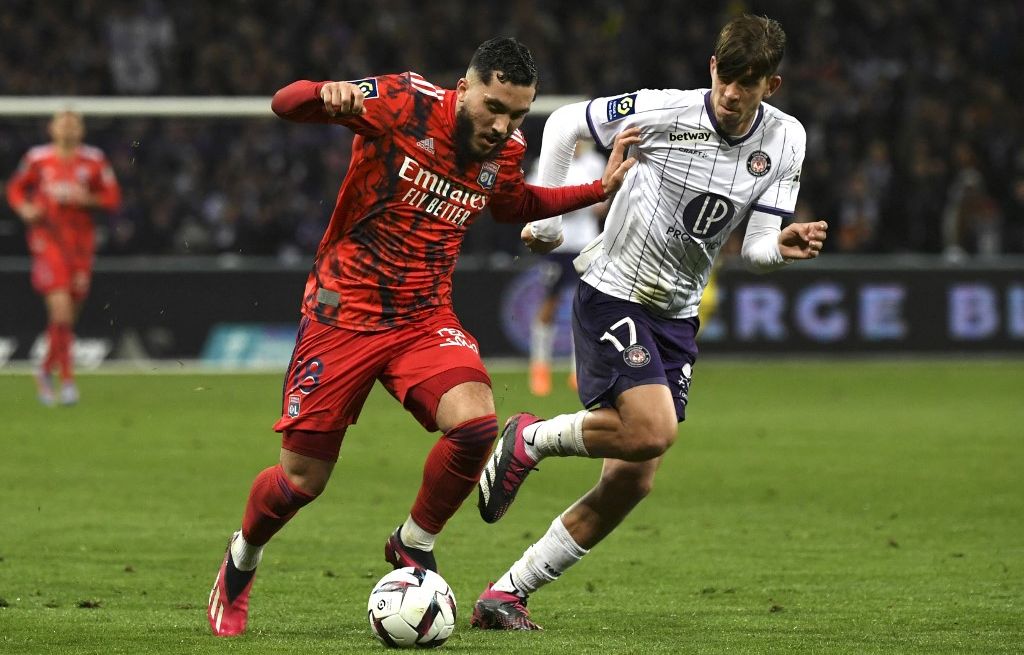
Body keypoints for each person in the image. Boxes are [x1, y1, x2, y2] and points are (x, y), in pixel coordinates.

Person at [206, 37, 640, 637]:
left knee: (477, 426)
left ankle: (413, 543)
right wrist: (322, 94)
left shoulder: (506, 150)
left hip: (423, 318)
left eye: (516, 114)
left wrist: (598, 189)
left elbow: (511, 203)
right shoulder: (403, 101)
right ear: (464, 88)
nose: (503, 125)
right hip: (344, 313)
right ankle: (242, 557)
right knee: (302, 481)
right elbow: (285, 104)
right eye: (493, 106)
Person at [471, 15, 829, 630]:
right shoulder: (665, 111)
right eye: (725, 76)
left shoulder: (786, 140)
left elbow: (761, 245)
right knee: (653, 429)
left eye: (748, 82)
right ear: (712, 67)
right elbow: (561, 124)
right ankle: (529, 439)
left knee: (632, 480)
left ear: (771, 85)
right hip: (614, 288)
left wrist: (780, 249)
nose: (731, 93)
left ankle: (506, 593)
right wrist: (552, 225)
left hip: (676, 311)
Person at [5, 110, 122, 406]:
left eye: (74, 122)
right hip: (48, 242)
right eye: (63, 122)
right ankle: (68, 382)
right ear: (52, 128)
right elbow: (15, 189)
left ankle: (44, 370)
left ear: (81, 129)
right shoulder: (37, 158)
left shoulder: (94, 160)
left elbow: (113, 197)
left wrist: (88, 200)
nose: (68, 127)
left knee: (69, 315)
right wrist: (25, 209)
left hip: (80, 245)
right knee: (61, 310)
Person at [526, 142, 607, 396]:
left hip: (586, 243)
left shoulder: (595, 163)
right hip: (556, 244)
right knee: (550, 303)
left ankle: (578, 369)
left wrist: (578, 203)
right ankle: (540, 366)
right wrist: (569, 203)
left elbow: (603, 203)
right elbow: (534, 198)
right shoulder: (548, 159)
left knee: (583, 305)